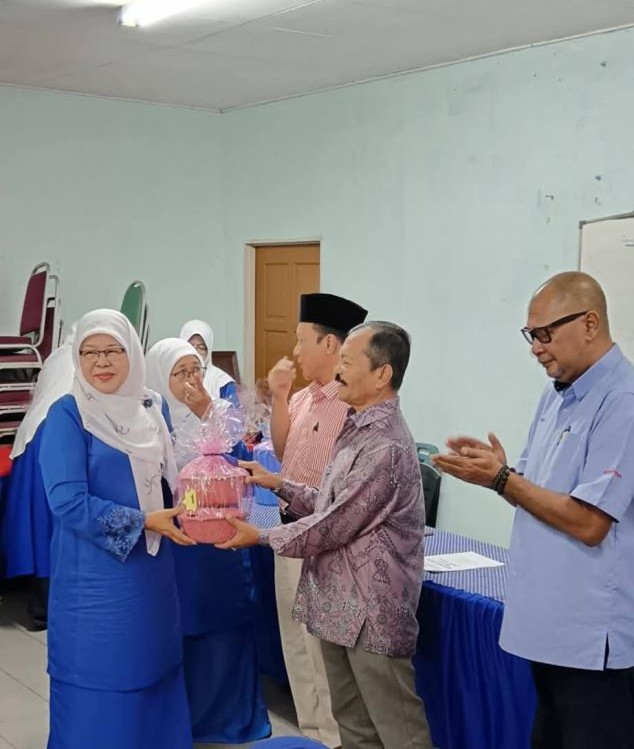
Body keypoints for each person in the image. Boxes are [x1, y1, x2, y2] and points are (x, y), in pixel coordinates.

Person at [433, 272, 634, 749]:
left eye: (545, 334)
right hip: (548, 627)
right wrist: (497, 475)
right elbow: (533, 492)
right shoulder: (557, 393)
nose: (536, 349)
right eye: (531, 336)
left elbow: (589, 522)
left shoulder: (621, 402)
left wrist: (503, 479)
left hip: (592, 641)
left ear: (590, 324)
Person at [219, 322, 433, 749]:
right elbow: (331, 501)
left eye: (348, 363)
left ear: (382, 374)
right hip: (338, 604)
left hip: (372, 612)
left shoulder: (386, 445)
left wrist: (261, 537)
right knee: (353, 727)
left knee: (400, 734)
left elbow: (335, 522)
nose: (338, 372)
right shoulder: (355, 425)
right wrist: (278, 484)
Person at [39, 310, 194, 749]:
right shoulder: (68, 415)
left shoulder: (151, 407)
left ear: (133, 354)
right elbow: (67, 501)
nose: (101, 361)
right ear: (77, 357)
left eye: (113, 350)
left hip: (152, 571)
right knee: (102, 673)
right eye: (90, 352)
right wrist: (142, 522)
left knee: (155, 662)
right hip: (95, 580)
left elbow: (167, 479)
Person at [146, 338, 271, 745]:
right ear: (158, 376)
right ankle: (187, 719)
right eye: (179, 373)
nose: (190, 381)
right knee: (185, 626)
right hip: (178, 540)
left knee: (226, 623)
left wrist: (207, 414)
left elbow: (238, 464)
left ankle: (233, 717)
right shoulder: (147, 419)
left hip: (220, 542)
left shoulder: (218, 415)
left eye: (195, 370)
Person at [267, 292, 368, 748]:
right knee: (295, 642)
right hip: (290, 526)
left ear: (330, 345)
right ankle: (310, 733)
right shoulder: (304, 397)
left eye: (301, 340)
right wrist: (279, 396)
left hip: (325, 540)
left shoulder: (352, 405)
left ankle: (333, 738)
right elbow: (283, 451)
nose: (295, 351)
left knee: (321, 648)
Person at [1, 325, 76, 629]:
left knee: (39, 528)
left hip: (32, 438)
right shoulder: (81, 361)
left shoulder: (57, 357)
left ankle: (40, 608)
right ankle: (51, 608)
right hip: (59, 437)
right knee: (56, 526)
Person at [179, 319, 239, 406]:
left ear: (208, 351)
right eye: (190, 346)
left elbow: (234, 412)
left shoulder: (222, 382)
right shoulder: (171, 377)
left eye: (201, 348)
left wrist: (209, 403)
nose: (195, 352)